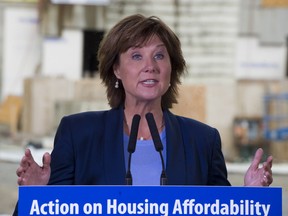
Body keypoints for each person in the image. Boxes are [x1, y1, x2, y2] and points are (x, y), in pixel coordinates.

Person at [13, 14, 273, 215]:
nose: (150, 66)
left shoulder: (203, 141)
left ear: (172, 69)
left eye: (160, 55)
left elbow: (222, 211)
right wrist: (35, 196)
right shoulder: (78, 133)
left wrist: (251, 199)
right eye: (136, 56)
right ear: (116, 69)